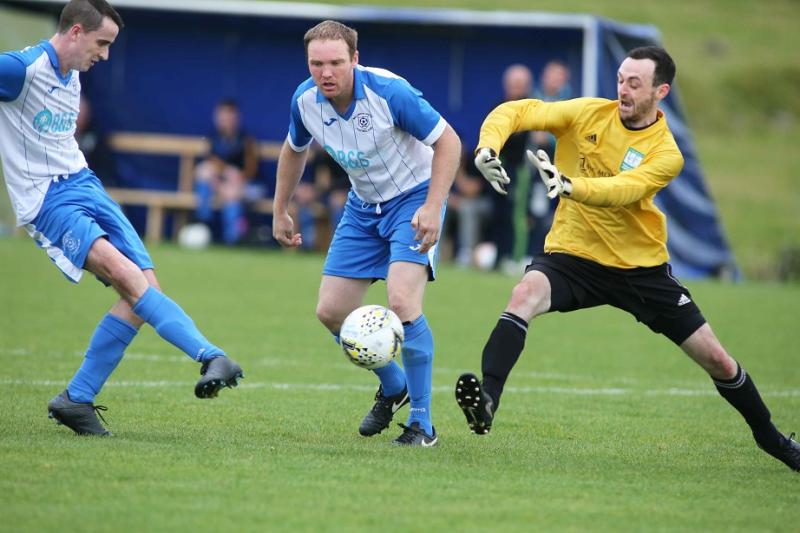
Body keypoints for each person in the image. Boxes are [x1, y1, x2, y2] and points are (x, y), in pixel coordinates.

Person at [457, 46, 799, 471]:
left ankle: (773, 441)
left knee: (717, 359)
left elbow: (625, 190)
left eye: (635, 83)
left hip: (640, 269)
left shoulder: (666, 153)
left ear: (661, 92)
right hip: (574, 254)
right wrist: (487, 147)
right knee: (524, 293)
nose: (623, 88)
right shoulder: (586, 112)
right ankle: (487, 400)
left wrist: (571, 186)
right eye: (621, 78)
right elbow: (518, 111)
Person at [0, 0, 243, 436]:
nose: (105, 54)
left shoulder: (72, 71)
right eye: (102, 43)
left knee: (146, 288)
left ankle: (77, 399)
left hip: (86, 184)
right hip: (49, 200)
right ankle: (210, 356)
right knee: (124, 275)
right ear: (75, 31)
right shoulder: (21, 69)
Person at [273, 20, 461, 446]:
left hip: (413, 198)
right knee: (330, 312)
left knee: (402, 300)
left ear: (355, 60)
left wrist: (433, 206)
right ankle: (394, 385)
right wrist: (280, 208)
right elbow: (293, 149)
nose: (326, 73)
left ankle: (422, 424)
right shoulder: (304, 100)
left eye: (336, 63)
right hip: (362, 208)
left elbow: (449, 142)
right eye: (316, 64)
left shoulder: (388, 92)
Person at [194, 98, 259, 245]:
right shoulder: (213, 138)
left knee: (232, 197)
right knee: (204, 172)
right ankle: (202, 221)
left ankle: (233, 238)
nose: (224, 120)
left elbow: (251, 172)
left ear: (236, 118)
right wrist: (224, 174)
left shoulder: (246, 140)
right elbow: (208, 164)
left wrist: (236, 178)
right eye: (221, 117)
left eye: (228, 116)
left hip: (249, 187)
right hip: (221, 186)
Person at [491, 64, 534, 272]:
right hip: (497, 170)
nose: (515, 88)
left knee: (517, 215)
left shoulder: (532, 108)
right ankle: (500, 257)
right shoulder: (498, 107)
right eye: (512, 84)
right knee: (498, 214)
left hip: (520, 172)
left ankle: (517, 258)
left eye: (519, 84)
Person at [527, 60, 572, 256]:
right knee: (535, 211)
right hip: (533, 169)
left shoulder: (572, 104)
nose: (554, 80)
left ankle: (554, 254)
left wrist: (550, 137)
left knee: (559, 213)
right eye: (551, 75)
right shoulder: (532, 100)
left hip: (562, 167)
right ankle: (531, 253)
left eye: (559, 76)